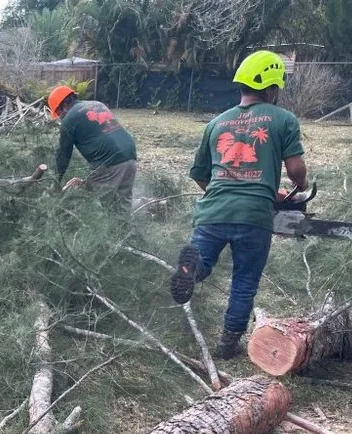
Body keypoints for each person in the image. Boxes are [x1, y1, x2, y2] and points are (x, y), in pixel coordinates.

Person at [169, 50, 312, 359]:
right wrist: (300, 186)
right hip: (254, 216)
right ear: (271, 88)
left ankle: (190, 269)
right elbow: (295, 169)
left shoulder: (216, 123)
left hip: (213, 210)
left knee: (203, 261)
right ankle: (227, 344)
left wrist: (230, 188)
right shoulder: (283, 119)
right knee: (244, 281)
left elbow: (199, 174)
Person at [47, 85, 138, 212]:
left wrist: (54, 182)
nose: (59, 117)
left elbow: (63, 155)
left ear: (64, 106)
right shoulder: (97, 104)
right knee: (123, 205)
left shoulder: (68, 120)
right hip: (130, 154)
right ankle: (128, 222)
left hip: (109, 161)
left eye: (58, 113)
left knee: (95, 206)